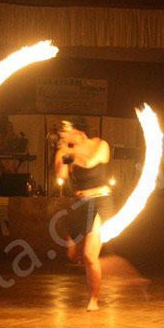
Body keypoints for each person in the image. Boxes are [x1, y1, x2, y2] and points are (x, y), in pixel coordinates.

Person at [55, 119, 113, 311]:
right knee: (73, 255)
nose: (63, 135)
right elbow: (61, 175)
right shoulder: (66, 151)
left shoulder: (101, 145)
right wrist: (62, 152)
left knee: (89, 255)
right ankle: (110, 265)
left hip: (101, 201)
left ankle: (94, 299)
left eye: (66, 131)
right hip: (80, 204)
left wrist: (70, 154)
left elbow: (89, 162)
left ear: (79, 132)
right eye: (61, 134)